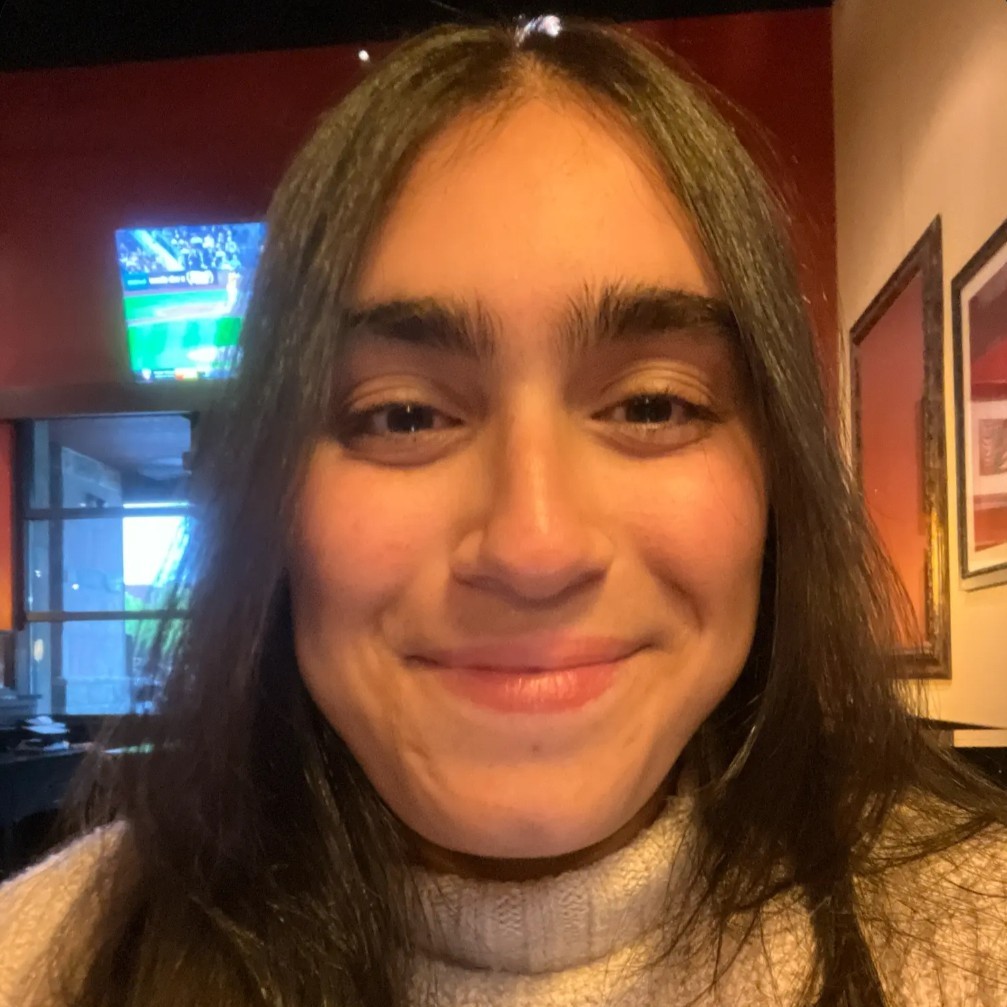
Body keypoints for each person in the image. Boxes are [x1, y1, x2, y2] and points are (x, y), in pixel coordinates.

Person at [2, 16, 1006, 1007]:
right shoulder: (41, 961)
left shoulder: (977, 939)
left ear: (774, 477)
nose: (535, 547)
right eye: (402, 415)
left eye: (651, 405)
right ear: (272, 498)